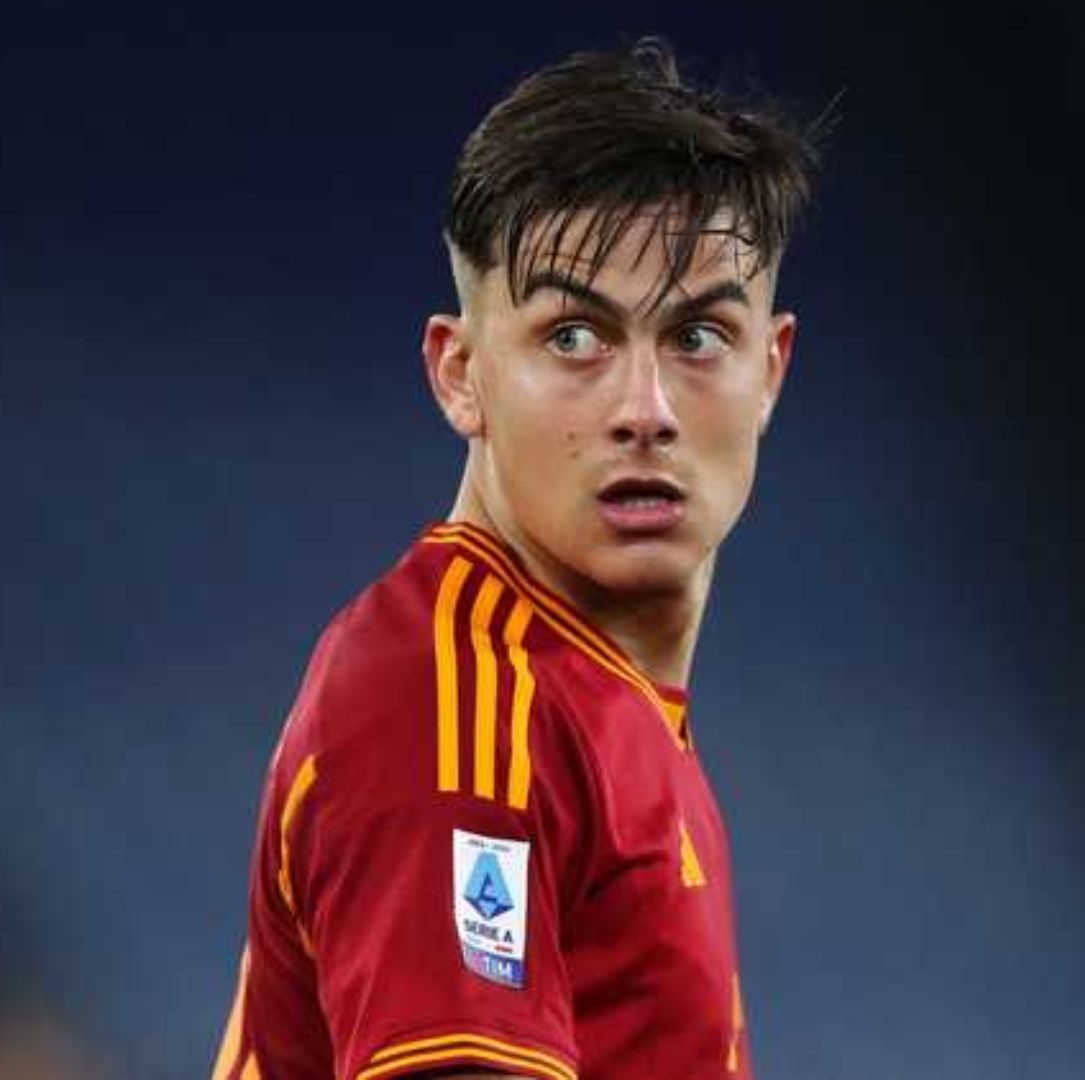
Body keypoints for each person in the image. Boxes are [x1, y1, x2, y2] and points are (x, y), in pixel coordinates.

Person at [210, 38, 820, 1080]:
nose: (645, 410)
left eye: (698, 337)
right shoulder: (453, 701)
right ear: (460, 374)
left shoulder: (594, 699)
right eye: (574, 337)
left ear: (770, 370)